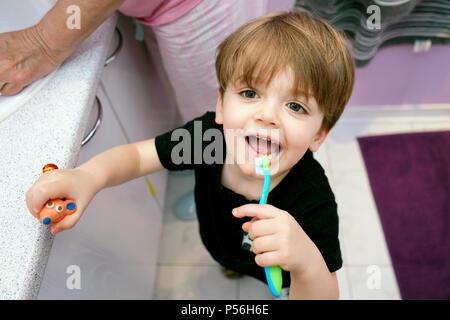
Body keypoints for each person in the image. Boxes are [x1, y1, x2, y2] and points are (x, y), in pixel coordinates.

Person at [26, 11, 355, 299]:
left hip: (280, 277)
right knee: (227, 258)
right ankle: (229, 265)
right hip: (216, 238)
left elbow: (324, 294)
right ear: (221, 106)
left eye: (295, 106)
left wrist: (306, 261)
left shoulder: (314, 201)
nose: (267, 115)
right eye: (250, 93)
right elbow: (140, 157)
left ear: (319, 135)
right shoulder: (208, 138)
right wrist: (88, 177)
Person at [0, 0, 267, 122]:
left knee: (222, 114)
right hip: (158, 9)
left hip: (198, 8)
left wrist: (43, 42)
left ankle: (239, 191)